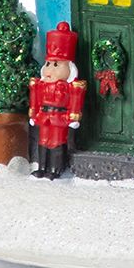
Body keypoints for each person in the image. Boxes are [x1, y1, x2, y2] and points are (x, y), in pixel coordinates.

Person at [27, 22, 85, 179]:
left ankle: (55, 168)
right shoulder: (40, 85)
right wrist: (33, 113)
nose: (49, 69)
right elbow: (35, 99)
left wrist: (73, 117)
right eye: (48, 64)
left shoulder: (70, 87)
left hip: (60, 117)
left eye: (56, 65)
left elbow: (75, 100)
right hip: (44, 116)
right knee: (43, 140)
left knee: (56, 142)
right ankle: (42, 167)